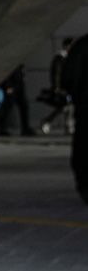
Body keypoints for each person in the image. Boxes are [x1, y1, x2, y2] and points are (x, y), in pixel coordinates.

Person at [62, 31, 88, 203]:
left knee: (83, 147)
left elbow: (67, 78)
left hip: (85, 107)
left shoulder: (81, 46)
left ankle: (85, 186)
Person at [40, 38, 74, 135]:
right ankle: (49, 121)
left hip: (67, 87)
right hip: (62, 88)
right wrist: (57, 87)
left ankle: (67, 127)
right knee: (66, 106)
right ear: (66, 46)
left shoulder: (67, 57)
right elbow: (57, 73)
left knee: (68, 106)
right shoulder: (60, 58)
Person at [0, 65, 34, 137]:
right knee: (7, 106)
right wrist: (7, 86)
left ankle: (25, 128)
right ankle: (1, 128)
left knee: (24, 106)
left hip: (18, 83)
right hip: (11, 84)